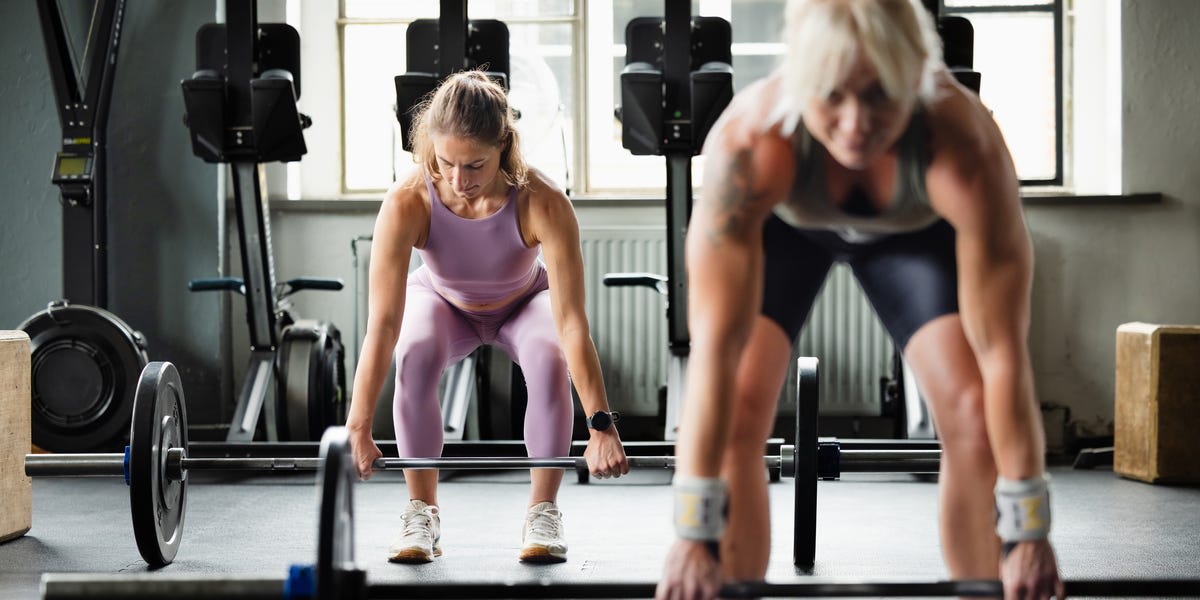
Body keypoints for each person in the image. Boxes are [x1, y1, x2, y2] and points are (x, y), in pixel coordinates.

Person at [656, 1, 1063, 598]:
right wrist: (691, 534)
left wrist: (1029, 530)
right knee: (742, 405)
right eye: (832, 96)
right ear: (799, 81)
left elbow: (1002, 351)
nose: (855, 124)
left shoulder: (965, 148)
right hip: (785, 229)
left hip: (915, 234)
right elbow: (714, 350)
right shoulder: (751, 145)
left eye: (880, 96)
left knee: (973, 414)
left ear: (916, 76)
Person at [346, 71, 629, 565]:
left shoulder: (543, 200)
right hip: (443, 303)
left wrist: (601, 426)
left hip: (524, 304)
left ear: (504, 146)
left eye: (475, 164)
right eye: (444, 163)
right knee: (413, 352)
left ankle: (543, 511)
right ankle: (421, 514)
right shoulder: (407, 201)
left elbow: (571, 324)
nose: (459, 180)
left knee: (547, 354)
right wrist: (357, 424)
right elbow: (383, 325)